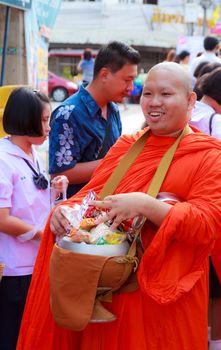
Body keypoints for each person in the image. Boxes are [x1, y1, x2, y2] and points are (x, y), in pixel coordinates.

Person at [16, 62, 221, 350]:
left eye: (165, 94)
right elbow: (91, 197)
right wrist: (63, 212)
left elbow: (208, 223)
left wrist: (147, 206)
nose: (154, 103)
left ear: (190, 100)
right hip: (108, 293)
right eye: (147, 93)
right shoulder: (127, 146)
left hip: (164, 299)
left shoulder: (209, 156)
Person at [0, 87, 68, 350]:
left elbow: (32, 200)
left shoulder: (31, 153)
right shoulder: (4, 159)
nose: (49, 127)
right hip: (14, 268)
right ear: (25, 119)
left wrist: (55, 189)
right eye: (43, 120)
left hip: (35, 260)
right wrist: (43, 233)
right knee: (12, 333)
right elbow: (2, 219)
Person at [49, 41, 141, 198]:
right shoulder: (68, 114)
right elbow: (60, 174)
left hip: (104, 207)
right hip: (75, 212)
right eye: (127, 80)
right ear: (104, 74)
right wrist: (117, 162)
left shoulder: (113, 109)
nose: (131, 87)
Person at [190, 68, 221, 350]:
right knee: (216, 293)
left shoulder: (187, 115)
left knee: (196, 288)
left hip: (182, 212)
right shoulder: (215, 121)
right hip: (210, 215)